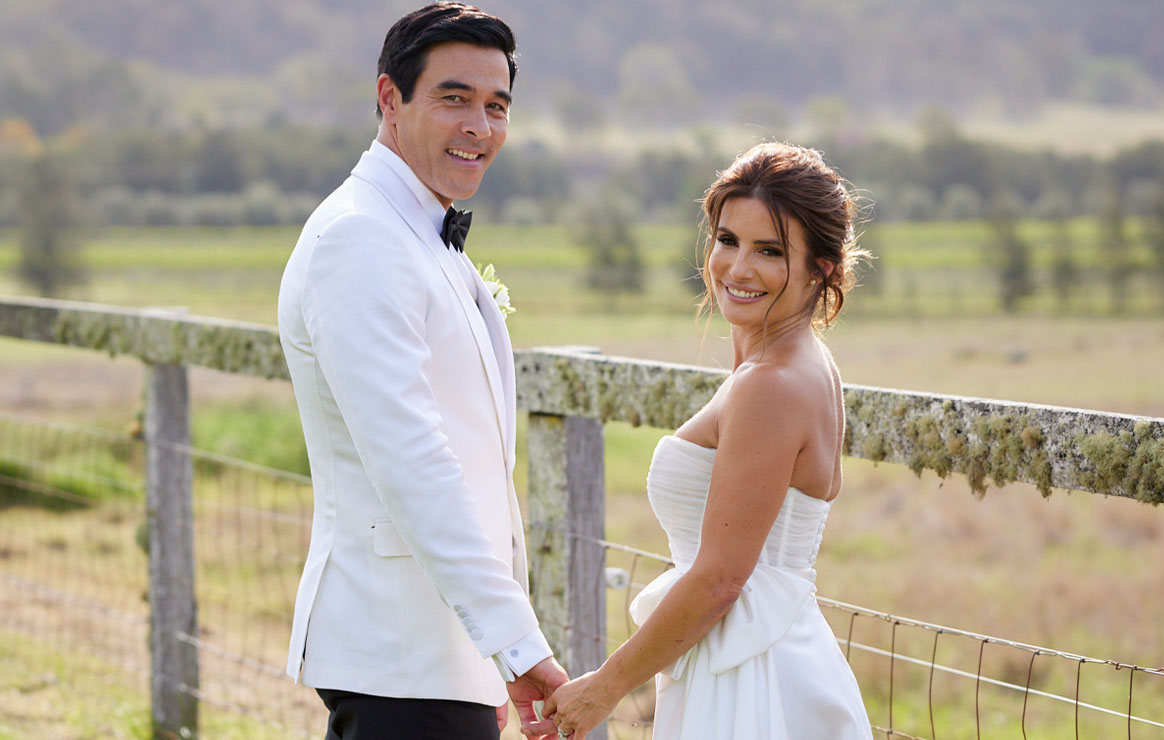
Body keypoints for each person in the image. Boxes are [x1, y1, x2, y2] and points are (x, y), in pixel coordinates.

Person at [276, 4, 567, 739]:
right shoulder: (361, 238)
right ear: (389, 98)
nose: (480, 126)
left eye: (496, 106)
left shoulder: (417, 232)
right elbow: (411, 459)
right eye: (454, 98)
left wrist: (489, 652)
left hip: (441, 652)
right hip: (400, 650)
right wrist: (515, 642)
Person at [539, 143, 874, 740]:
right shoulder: (799, 363)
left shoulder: (770, 385)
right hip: (754, 655)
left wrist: (604, 688)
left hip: (752, 681)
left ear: (822, 268)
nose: (738, 269)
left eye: (770, 251)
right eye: (727, 240)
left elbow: (720, 581)